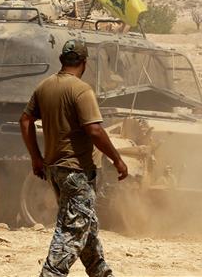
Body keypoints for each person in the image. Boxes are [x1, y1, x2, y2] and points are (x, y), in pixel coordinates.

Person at [19, 39, 128, 277]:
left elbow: (25, 120)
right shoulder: (81, 90)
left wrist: (36, 158)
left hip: (57, 169)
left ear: (61, 60)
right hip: (77, 171)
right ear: (84, 63)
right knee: (72, 230)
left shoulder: (44, 87)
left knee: (86, 226)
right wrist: (118, 160)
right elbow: (95, 130)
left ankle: (101, 272)